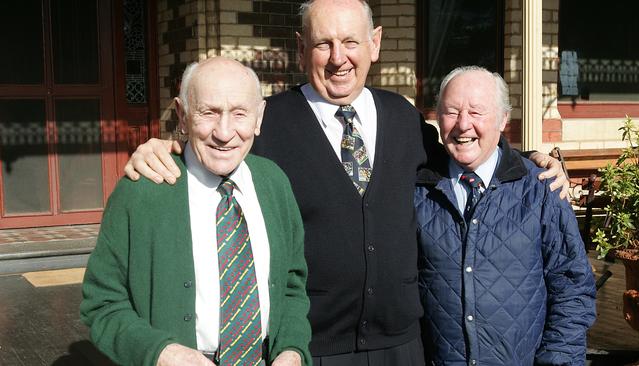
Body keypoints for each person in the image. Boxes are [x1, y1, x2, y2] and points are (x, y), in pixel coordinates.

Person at [122, 1, 569, 364]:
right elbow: (214, 154)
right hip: (309, 348)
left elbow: (467, 152)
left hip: (403, 346)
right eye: (323, 44)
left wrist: (530, 160)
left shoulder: (404, 118)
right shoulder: (266, 124)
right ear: (301, 49)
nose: (339, 58)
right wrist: (167, 147)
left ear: (374, 44)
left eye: (351, 42)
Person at [80, 57, 311, 366]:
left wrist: (293, 349)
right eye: (209, 113)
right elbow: (102, 305)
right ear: (182, 115)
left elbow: (292, 287)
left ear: (259, 117)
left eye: (239, 113)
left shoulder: (274, 183)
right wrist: (161, 353)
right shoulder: (141, 192)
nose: (224, 132)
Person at [415, 66, 596, 366]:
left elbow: (572, 288)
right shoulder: (418, 191)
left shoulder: (541, 189)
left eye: (476, 112)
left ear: (503, 119)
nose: (463, 125)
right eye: (451, 112)